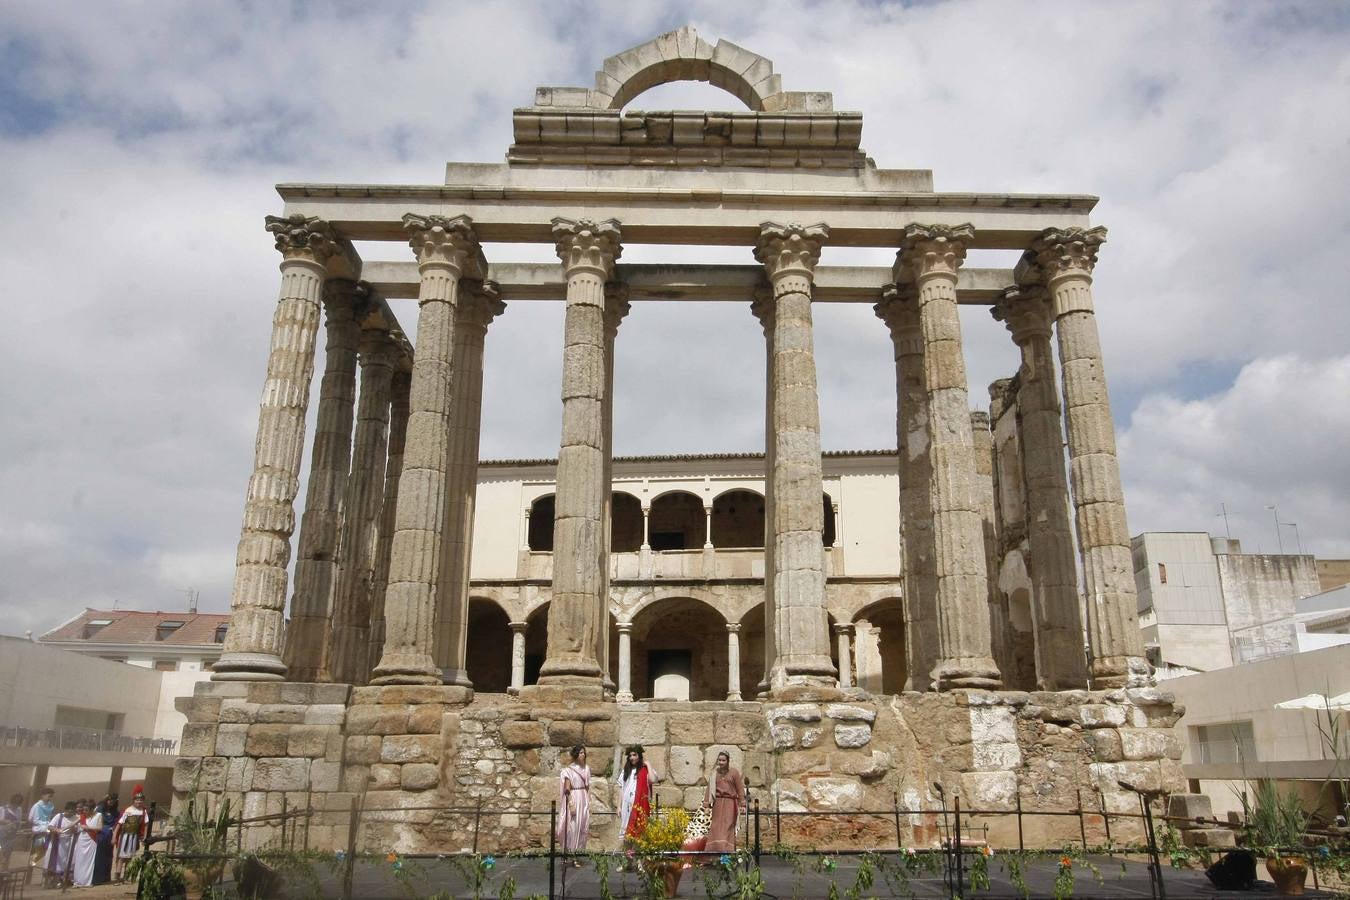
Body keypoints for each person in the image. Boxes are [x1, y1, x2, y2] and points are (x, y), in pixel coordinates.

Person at [703, 750, 746, 854]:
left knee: (727, 828)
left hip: (730, 804)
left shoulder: (734, 773)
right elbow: (709, 790)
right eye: (719, 760)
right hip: (717, 804)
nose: (721, 762)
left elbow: (740, 789)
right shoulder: (714, 774)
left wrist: (742, 804)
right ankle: (713, 856)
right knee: (715, 827)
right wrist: (707, 806)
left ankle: (727, 856)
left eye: (723, 760)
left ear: (728, 761)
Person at [556, 745, 591, 865]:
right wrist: (571, 804)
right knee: (573, 827)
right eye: (581, 753)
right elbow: (567, 789)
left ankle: (576, 853)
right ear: (576, 755)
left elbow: (587, 787)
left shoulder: (586, 768)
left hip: (583, 798)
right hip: (574, 798)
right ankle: (571, 854)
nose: (583, 755)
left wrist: (587, 801)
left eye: (584, 753)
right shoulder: (569, 770)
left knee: (582, 826)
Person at [617, 745, 661, 842]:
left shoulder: (645, 770)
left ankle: (638, 854)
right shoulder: (626, 771)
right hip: (627, 805)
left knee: (640, 832)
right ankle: (629, 853)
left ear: (639, 756)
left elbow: (653, 779)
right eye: (630, 755)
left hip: (640, 805)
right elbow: (621, 789)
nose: (632, 757)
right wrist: (618, 806)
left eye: (634, 755)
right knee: (627, 831)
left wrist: (648, 765)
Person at [112, 792, 151, 883]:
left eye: (141, 800)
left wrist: (144, 836)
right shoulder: (128, 810)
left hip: (134, 836)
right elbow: (119, 824)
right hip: (125, 836)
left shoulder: (143, 811)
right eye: (137, 800)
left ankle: (126, 877)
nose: (139, 801)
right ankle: (117, 878)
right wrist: (114, 836)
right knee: (122, 857)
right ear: (134, 800)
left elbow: (146, 825)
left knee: (130, 858)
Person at [44, 801, 77, 886]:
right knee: (56, 861)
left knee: (66, 861)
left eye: (72, 811)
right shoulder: (59, 816)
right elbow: (50, 826)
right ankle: (53, 880)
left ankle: (64, 879)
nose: (70, 813)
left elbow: (76, 830)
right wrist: (57, 830)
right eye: (69, 811)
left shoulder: (75, 818)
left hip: (68, 842)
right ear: (66, 809)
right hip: (57, 841)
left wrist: (74, 829)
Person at [71, 799, 103, 887]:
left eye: (86, 810)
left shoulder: (98, 815)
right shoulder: (82, 816)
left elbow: (100, 828)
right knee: (79, 861)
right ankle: (77, 881)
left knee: (89, 861)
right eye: (83, 810)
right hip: (82, 839)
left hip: (91, 840)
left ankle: (87, 882)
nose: (84, 812)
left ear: (92, 809)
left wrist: (88, 828)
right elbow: (72, 824)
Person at [28, 789, 56, 874]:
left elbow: (50, 817)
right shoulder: (37, 806)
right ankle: (32, 861)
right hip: (39, 830)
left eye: (51, 796)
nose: (49, 798)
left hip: (48, 829)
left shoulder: (51, 805)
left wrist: (49, 824)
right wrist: (43, 825)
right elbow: (31, 819)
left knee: (46, 849)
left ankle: (34, 860)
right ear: (42, 795)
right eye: (48, 795)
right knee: (38, 848)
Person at [93, 794, 118, 884]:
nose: (111, 801)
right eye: (109, 799)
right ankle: (97, 878)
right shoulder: (99, 809)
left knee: (109, 855)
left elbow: (116, 824)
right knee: (99, 855)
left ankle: (106, 877)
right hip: (101, 834)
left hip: (110, 834)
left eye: (113, 800)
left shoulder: (115, 812)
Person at [0, 793, 24, 868]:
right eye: (15, 804)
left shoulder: (19, 809)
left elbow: (19, 821)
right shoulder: (3, 809)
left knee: (8, 853)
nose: (16, 806)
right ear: (12, 802)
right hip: (3, 834)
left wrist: (18, 828)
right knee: (2, 852)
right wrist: (6, 822)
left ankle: (4, 870)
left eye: (18, 804)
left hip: (12, 834)